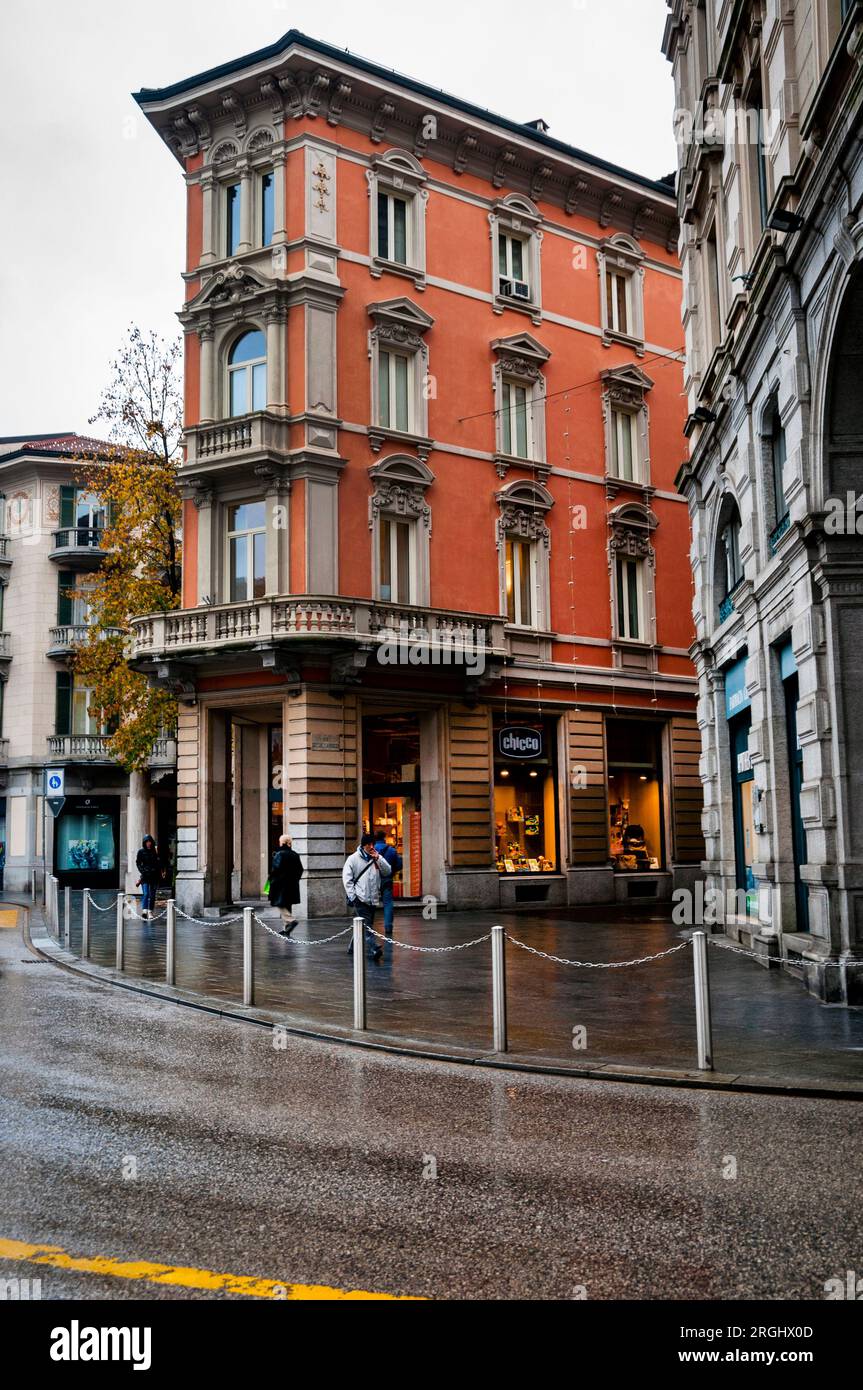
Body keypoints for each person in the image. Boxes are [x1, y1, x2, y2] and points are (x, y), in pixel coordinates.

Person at [342, 832, 391, 961]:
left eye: (372, 844)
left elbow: (388, 871)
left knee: (362, 924)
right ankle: (374, 948)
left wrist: (378, 858)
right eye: (368, 844)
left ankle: (352, 948)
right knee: (367, 926)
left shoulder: (376, 857)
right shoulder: (353, 859)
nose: (371, 846)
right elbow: (347, 880)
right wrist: (354, 898)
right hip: (360, 898)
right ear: (363, 845)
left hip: (372, 899)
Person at [268, 834, 304, 937]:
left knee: (279, 903)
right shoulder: (295, 854)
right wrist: (295, 879)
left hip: (280, 885)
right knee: (288, 905)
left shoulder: (279, 854)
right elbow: (300, 870)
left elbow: (275, 870)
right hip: (292, 885)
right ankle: (286, 929)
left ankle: (291, 921)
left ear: (282, 842)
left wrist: (271, 880)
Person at [373, 832, 403, 936]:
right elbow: (399, 865)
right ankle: (388, 927)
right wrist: (392, 871)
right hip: (387, 879)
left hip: (373, 880)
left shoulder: (371, 850)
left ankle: (368, 926)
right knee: (388, 903)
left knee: (371, 904)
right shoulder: (391, 850)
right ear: (384, 838)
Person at [135, 835, 162, 919]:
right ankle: (144, 910)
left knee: (152, 895)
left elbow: (159, 864)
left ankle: (150, 911)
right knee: (146, 894)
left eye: (149, 842)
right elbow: (138, 863)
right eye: (146, 842)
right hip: (145, 876)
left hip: (154, 877)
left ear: (152, 842)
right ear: (144, 843)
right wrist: (142, 870)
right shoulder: (141, 852)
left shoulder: (155, 852)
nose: (148, 843)